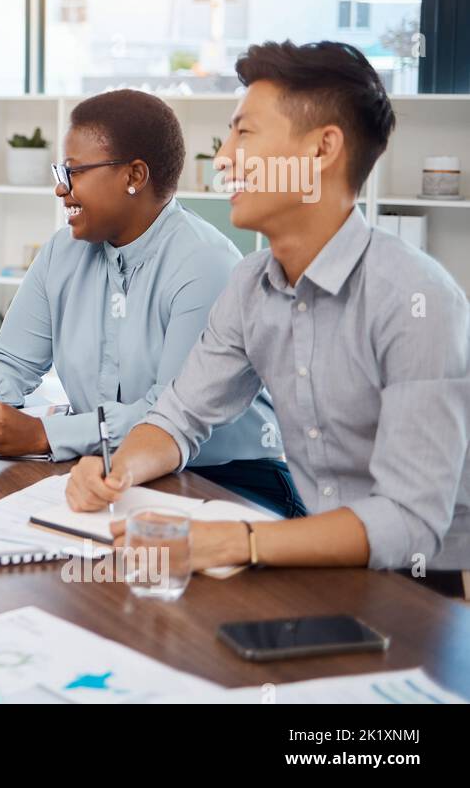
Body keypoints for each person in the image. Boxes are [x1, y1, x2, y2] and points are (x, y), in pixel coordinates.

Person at [66, 41, 470, 595]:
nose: (224, 157)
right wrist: (117, 473)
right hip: (313, 559)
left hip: (425, 591)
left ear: (323, 148)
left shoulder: (417, 299)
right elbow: (179, 417)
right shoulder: (251, 283)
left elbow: (410, 521)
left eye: (245, 133)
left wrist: (238, 541)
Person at [0, 89, 296, 512]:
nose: (61, 189)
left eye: (74, 172)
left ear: (134, 176)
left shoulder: (206, 264)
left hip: (224, 481)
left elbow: (167, 414)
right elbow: (12, 360)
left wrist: (44, 435)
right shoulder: (62, 252)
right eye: (61, 171)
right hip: (102, 470)